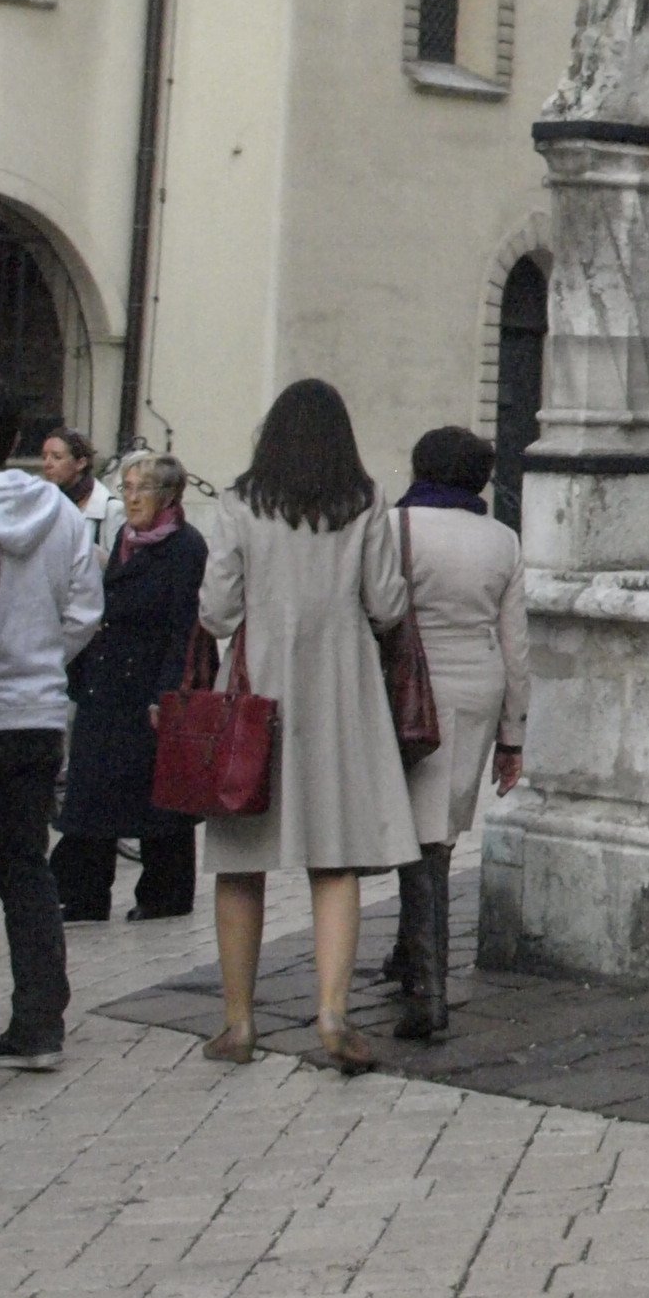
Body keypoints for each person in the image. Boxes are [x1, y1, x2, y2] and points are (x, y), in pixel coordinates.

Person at [195, 379, 416, 1073]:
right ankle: (332, 1013)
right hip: (342, 691)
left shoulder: (239, 503)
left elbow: (217, 609)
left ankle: (238, 1023)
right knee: (335, 856)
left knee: (241, 857)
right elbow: (387, 604)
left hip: (258, 691)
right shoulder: (366, 501)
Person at [0, 374, 99, 1068]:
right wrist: (42, 659)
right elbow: (85, 611)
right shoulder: (63, 515)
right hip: (36, 713)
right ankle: (39, 1023)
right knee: (26, 869)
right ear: (17, 437)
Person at [382, 427, 526, 1041]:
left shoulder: (393, 527)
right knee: (436, 828)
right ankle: (407, 954)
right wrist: (513, 735)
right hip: (477, 687)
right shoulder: (502, 539)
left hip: (403, 689)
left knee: (421, 835)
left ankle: (428, 989)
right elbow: (516, 645)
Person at [51, 453, 208, 923]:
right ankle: (83, 893)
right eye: (128, 488)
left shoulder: (185, 546)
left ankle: (165, 894)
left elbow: (185, 626)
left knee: (159, 794)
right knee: (91, 787)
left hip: (148, 685)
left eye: (143, 489)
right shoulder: (125, 538)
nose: (133, 498)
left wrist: (166, 692)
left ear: (169, 496)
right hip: (106, 680)